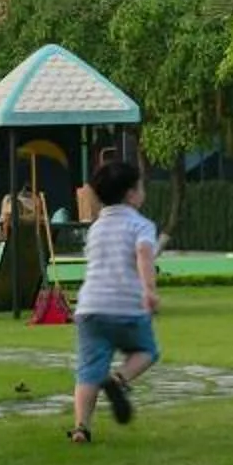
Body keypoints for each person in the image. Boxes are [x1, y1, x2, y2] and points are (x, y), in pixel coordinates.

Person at [68, 159, 161, 443]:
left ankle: (81, 427)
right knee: (146, 351)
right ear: (132, 194)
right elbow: (144, 255)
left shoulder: (96, 228)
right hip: (126, 307)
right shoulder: (141, 225)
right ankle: (118, 380)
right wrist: (149, 290)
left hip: (91, 309)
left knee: (88, 371)